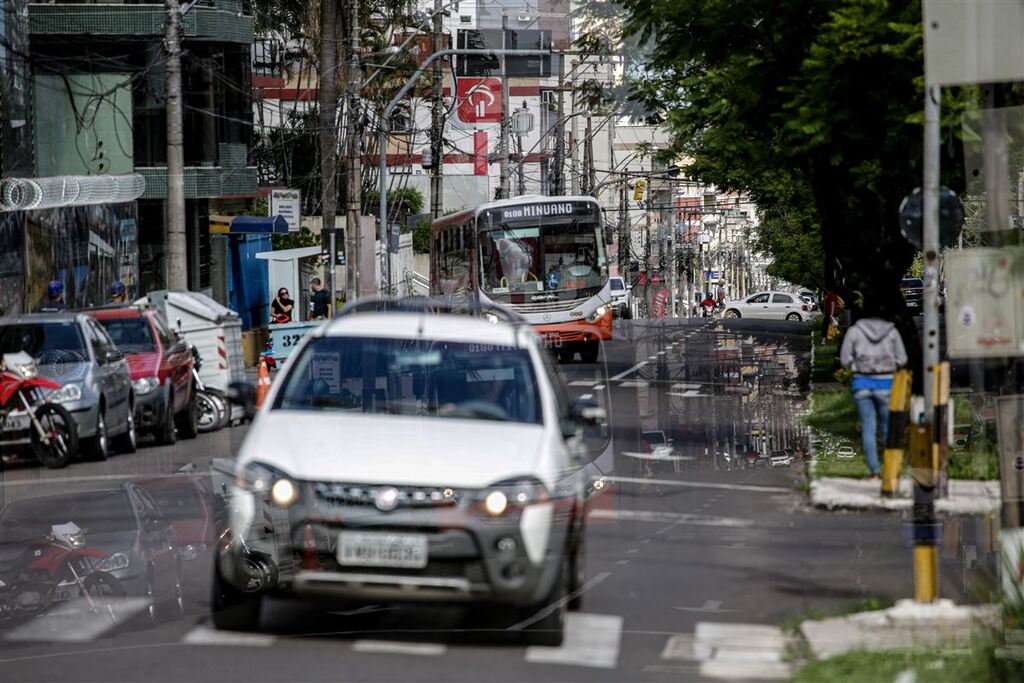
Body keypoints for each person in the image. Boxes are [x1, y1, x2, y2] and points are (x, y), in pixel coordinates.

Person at [839, 314, 908, 479]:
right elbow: (902, 359)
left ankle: (874, 472)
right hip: (886, 384)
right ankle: (891, 469)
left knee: (868, 428)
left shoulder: (854, 331)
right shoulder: (892, 332)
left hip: (861, 383)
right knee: (886, 427)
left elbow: (845, 359)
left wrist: (857, 366)